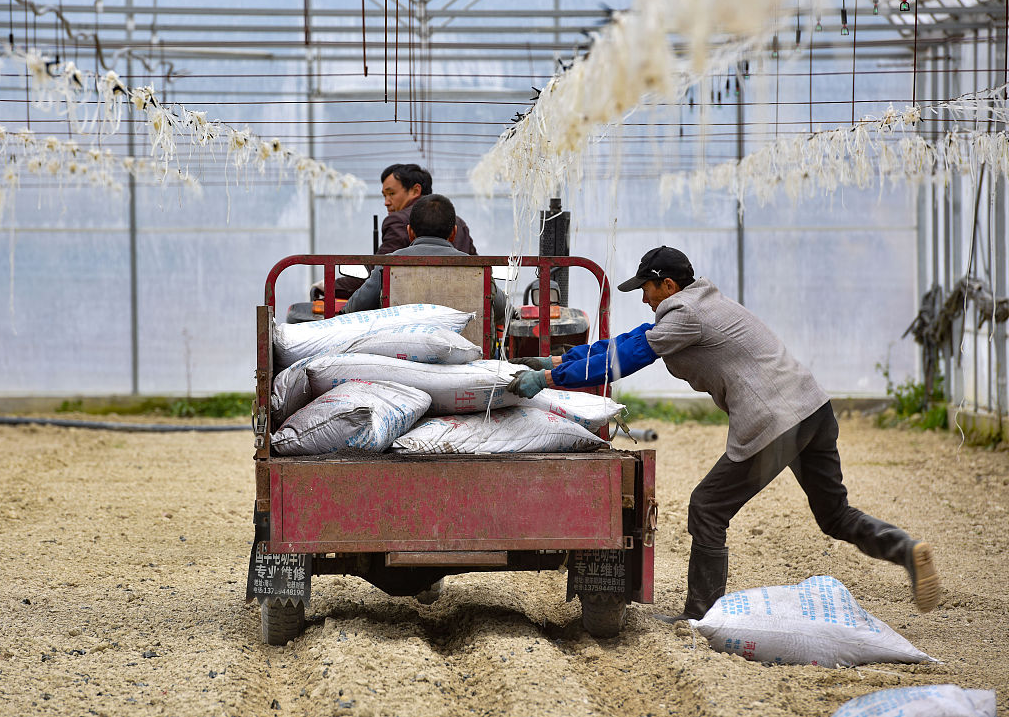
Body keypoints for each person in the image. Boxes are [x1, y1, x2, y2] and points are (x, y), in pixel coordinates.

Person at [507, 245, 942, 621]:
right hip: (813, 410)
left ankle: (701, 616)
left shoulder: (685, 316)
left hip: (775, 422)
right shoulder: (698, 305)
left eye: (647, 288)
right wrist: (559, 363)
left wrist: (547, 382)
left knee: (707, 507)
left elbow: (625, 359)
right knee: (835, 515)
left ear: (668, 286)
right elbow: (624, 342)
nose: (643, 297)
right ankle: (906, 550)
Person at [340, 194, 506, 320]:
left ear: (410, 232)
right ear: (454, 233)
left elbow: (352, 310)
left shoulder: (387, 265)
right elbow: (503, 311)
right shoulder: (476, 269)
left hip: (400, 354)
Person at [377, 164, 477, 255]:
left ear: (416, 190)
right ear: (453, 232)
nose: (386, 202)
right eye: (384, 196)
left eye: (391, 193)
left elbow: (382, 264)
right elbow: (476, 264)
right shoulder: (459, 223)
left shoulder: (398, 220)